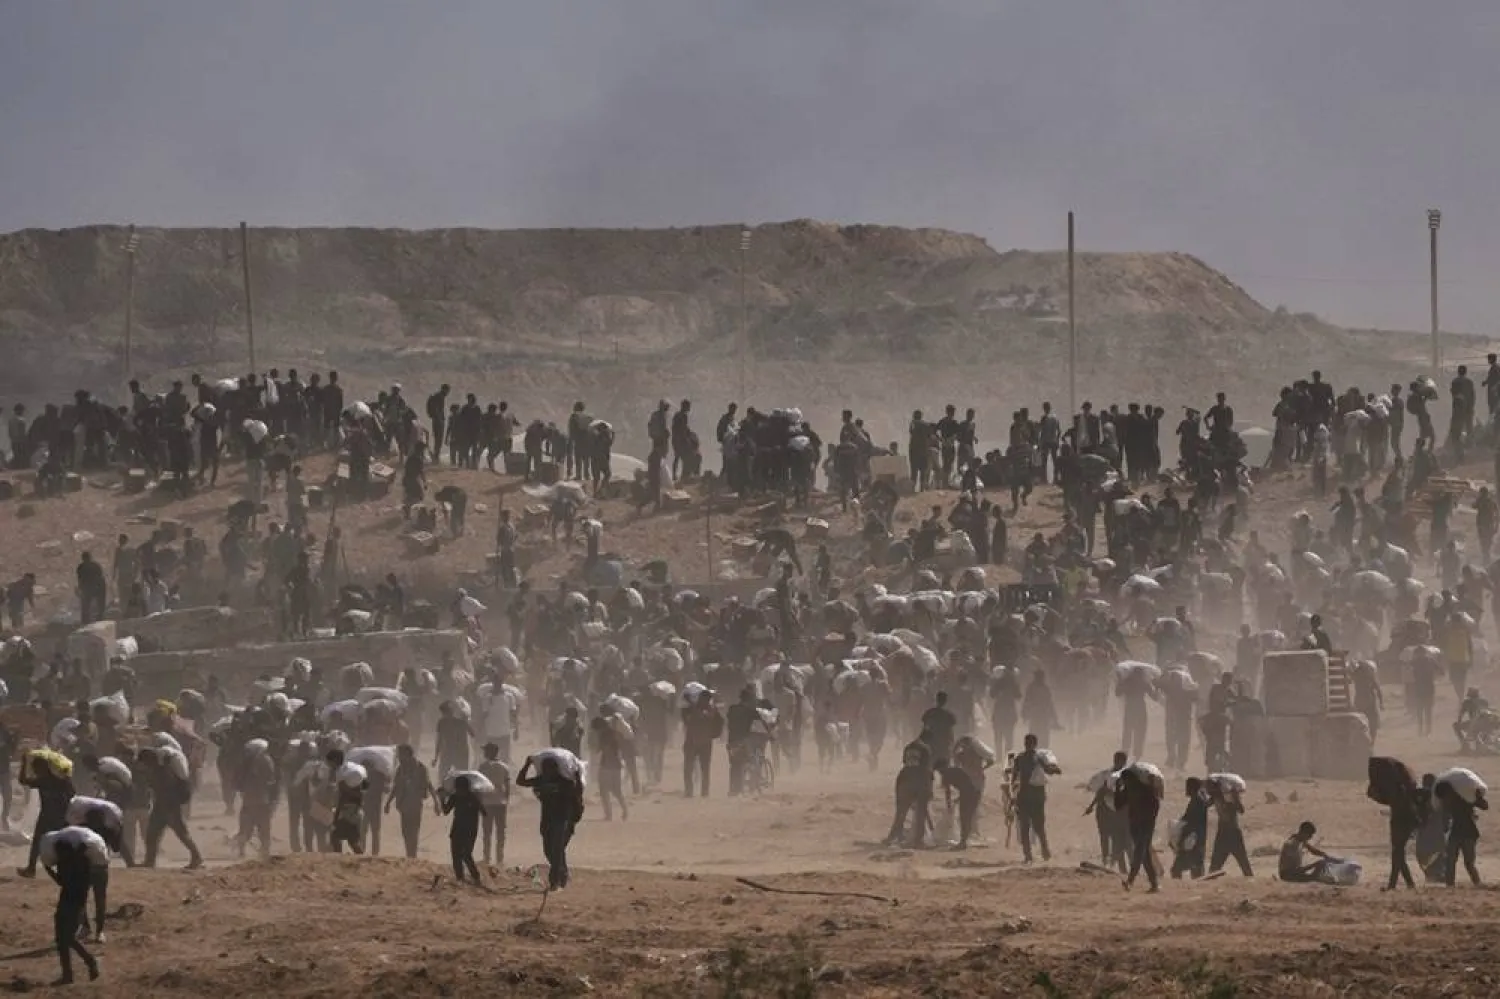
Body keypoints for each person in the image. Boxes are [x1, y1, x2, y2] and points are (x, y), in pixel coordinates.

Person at [517, 754, 585, 891]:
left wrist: (577, 775)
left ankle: (555, 881)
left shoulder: (564, 782)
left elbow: (577, 791)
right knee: (549, 851)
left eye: (549, 768)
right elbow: (521, 782)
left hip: (563, 819)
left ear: (556, 769)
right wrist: (527, 765)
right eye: (544, 768)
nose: (547, 771)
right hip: (547, 820)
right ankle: (562, 873)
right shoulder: (541, 780)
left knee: (557, 849)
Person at [41, 832, 101, 985]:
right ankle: (73, 971)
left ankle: (85, 964)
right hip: (74, 902)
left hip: (70, 902)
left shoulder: (67, 863)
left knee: (64, 939)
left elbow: (63, 882)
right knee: (64, 939)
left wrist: (49, 870)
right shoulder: (82, 862)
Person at [1115, 764, 1162, 893]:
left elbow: (1156, 806)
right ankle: (1154, 884)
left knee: (1139, 852)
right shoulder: (1128, 790)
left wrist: (1148, 819)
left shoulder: (1146, 791)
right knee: (1144, 854)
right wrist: (1118, 789)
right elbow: (1118, 805)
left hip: (1145, 825)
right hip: (1135, 825)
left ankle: (1130, 881)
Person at [386, 744, 435, 860]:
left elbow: (429, 785)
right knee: (405, 831)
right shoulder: (401, 769)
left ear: (407, 754)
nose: (398, 757)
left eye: (400, 754)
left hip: (415, 805)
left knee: (413, 830)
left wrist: (436, 803)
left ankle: (412, 855)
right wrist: (388, 803)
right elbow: (396, 787)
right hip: (403, 805)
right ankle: (410, 854)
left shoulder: (420, 768)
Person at [1010, 733, 1052, 864]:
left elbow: (1013, 778)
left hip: (1027, 795)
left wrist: (1013, 795)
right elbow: (1049, 771)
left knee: (1028, 826)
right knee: (1035, 826)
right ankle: (1039, 852)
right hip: (1033, 796)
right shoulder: (1037, 758)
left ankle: (1032, 854)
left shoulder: (1022, 758)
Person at [440, 773, 486, 884]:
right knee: (456, 855)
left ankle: (476, 877)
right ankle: (460, 878)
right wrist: (442, 799)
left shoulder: (473, 797)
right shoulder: (454, 797)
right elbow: (446, 811)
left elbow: (484, 812)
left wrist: (475, 803)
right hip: (457, 830)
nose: (460, 791)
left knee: (466, 855)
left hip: (470, 831)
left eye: (461, 788)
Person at [1439, 782, 1487, 887]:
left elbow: (1484, 805)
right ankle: (1452, 885)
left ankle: (1476, 883)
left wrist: (1476, 796)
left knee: (1465, 863)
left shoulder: (1465, 797)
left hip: (1466, 832)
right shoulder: (1455, 799)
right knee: (1453, 861)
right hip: (1461, 832)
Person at [1207, 778, 1253, 877]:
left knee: (1243, 863)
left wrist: (1234, 796)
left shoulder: (1229, 798)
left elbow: (1241, 810)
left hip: (1231, 833)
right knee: (1216, 865)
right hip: (1225, 833)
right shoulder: (1216, 798)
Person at [476, 743, 511, 865]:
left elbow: (478, 786)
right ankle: (499, 858)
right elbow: (507, 787)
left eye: (485, 751)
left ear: (489, 752)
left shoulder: (482, 767)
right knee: (500, 831)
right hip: (500, 803)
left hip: (487, 803)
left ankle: (487, 857)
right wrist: (506, 800)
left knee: (487, 831)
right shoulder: (504, 767)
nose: (484, 753)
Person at [1171, 777, 1210, 879]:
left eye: (1188, 787)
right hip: (1197, 839)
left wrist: (1181, 838)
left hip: (1192, 840)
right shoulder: (1199, 799)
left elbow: (1191, 822)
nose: (1186, 789)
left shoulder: (1197, 801)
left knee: (1177, 869)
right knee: (1196, 869)